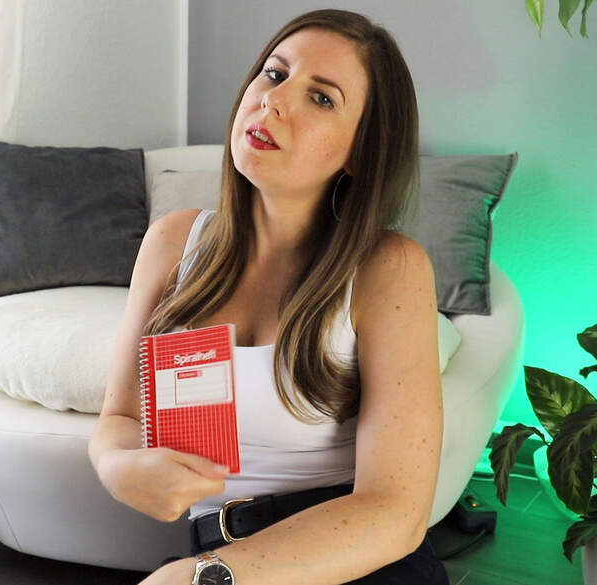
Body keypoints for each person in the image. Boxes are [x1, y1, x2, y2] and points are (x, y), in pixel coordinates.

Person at [88, 8, 447, 585]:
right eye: (275, 74)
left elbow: (396, 513)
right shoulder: (174, 244)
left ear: (360, 151)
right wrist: (117, 466)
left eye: (321, 98)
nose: (273, 101)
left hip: (345, 559)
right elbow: (120, 418)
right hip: (212, 554)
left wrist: (202, 578)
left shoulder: (387, 268)